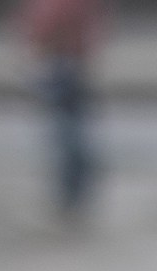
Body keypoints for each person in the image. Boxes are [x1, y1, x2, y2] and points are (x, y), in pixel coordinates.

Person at [18, 0, 104, 220]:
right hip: (69, 64)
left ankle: (70, 195)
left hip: (61, 64)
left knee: (65, 133)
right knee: (70, 131)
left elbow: (43, 27)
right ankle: (73, 194)